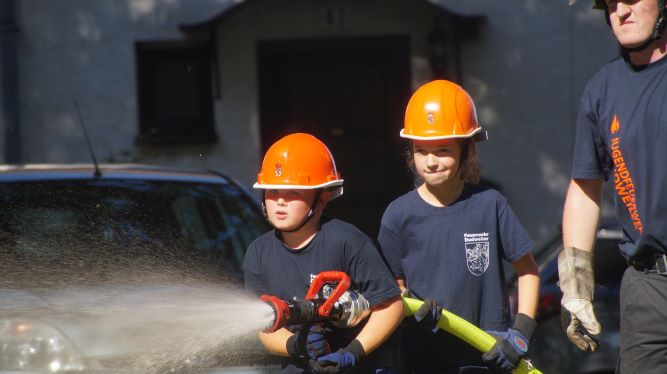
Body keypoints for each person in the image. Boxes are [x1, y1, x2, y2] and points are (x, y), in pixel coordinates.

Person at [377, 80, 540, 373]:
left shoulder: (490, 204)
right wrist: (410, 308)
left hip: (487, 353)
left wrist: (520, 336)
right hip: (423, 356)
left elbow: (528, 271)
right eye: (421, 150)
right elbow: (391, 288)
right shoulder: (396, 216)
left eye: (442, 150)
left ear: (467, 150)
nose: (430, 162)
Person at [561, 1, 667, 372]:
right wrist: (575, 284)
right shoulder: (602, 90)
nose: (620, 11)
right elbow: (585, 188)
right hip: (646, 287)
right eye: (610, 3)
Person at [243, 133, 404, 373]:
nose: (280, 201)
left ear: (322, 200)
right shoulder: (258, 252)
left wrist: (352, 354)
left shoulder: (349, 242)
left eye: (293, 193)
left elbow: (391, 306)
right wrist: (296, 345)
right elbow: (262, 326)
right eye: (272, 191)